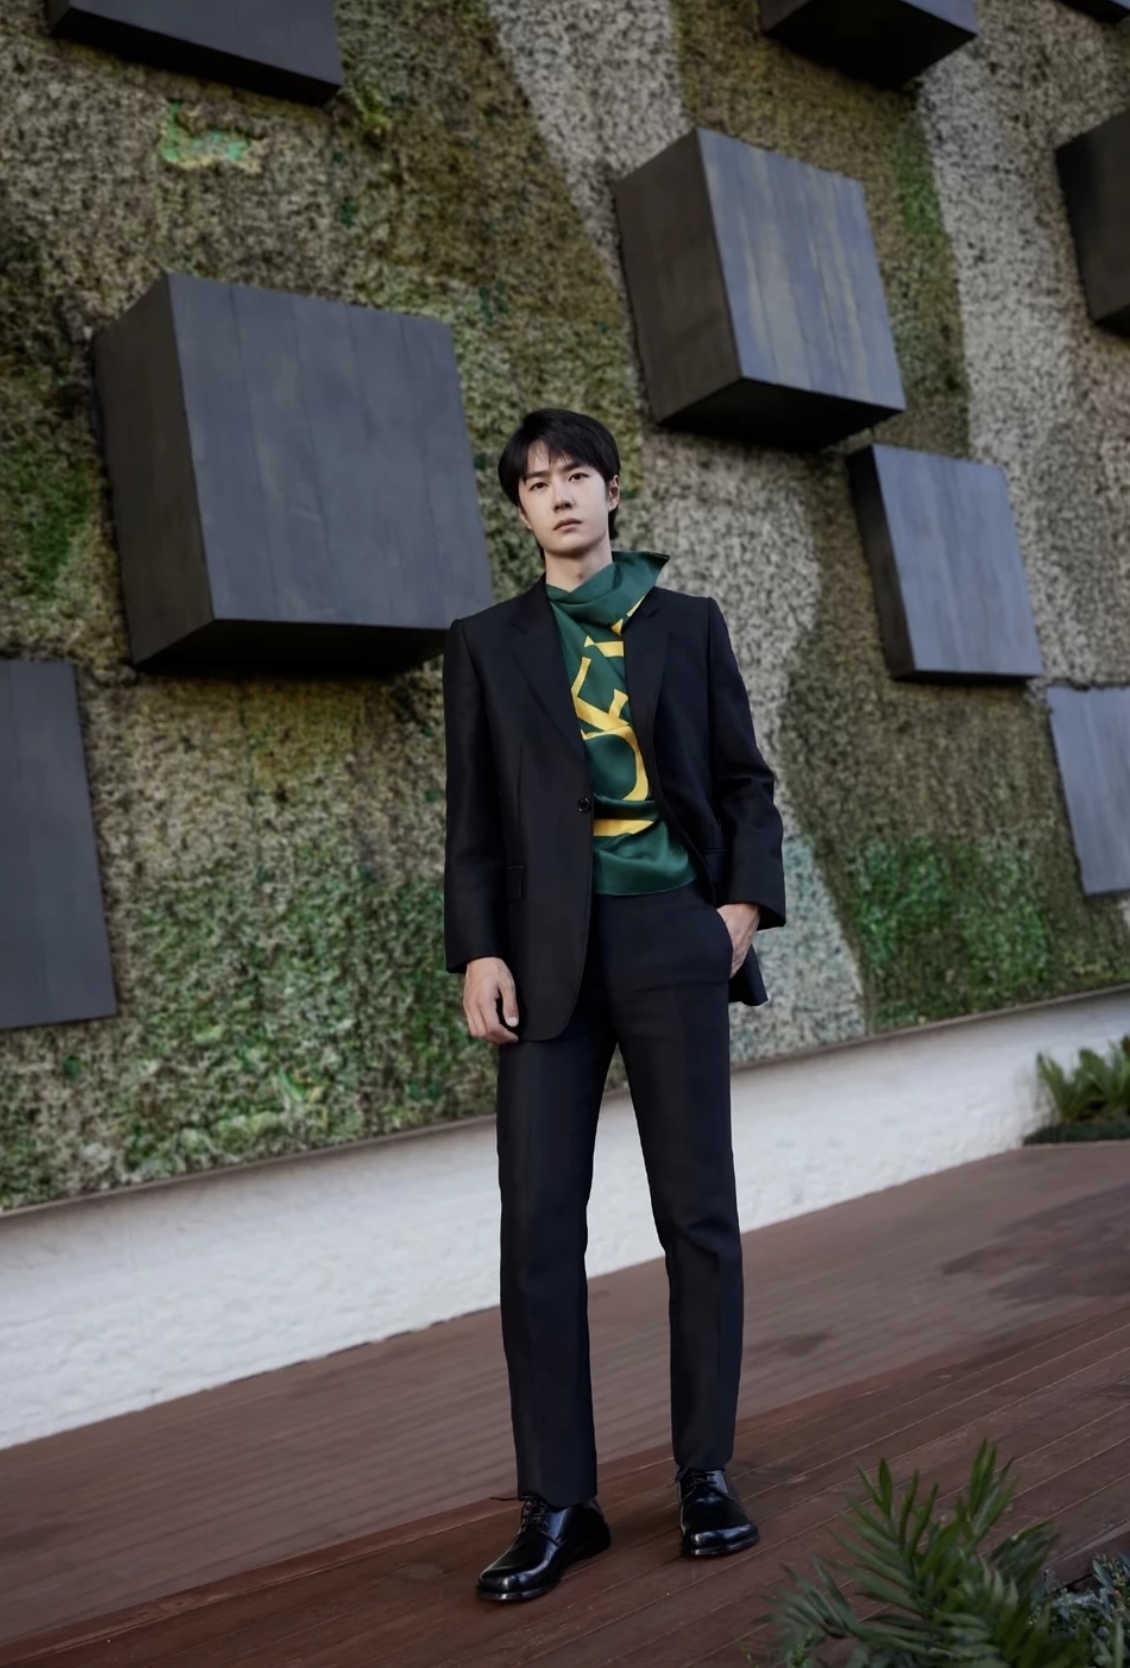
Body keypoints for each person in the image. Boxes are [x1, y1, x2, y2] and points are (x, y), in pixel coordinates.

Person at [441, 408, 786, 1603]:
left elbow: (744, 783)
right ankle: (559, 1503)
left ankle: (704, 1473)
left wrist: (735, 911)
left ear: (613, 489)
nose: (559, 495)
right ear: (520, 510)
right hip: (544, 958)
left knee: (697, 1213)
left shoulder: (688, 625)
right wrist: (478, 951)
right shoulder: (485, 644)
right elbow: (472, 819)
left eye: (577, 473)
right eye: (536, 483)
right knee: (537, 1224)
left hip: (671, 937)